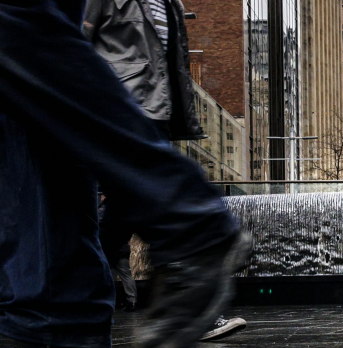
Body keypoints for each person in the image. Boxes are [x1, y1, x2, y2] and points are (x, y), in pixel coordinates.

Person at [0, 1, 250, 347]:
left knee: (14, 23)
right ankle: (59, 307)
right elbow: (74, 37)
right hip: (119, 112)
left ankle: (187, 220)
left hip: (131, 113)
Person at [83, 0, 248, 338]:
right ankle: (201, 247)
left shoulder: (171, 3)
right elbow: (75, 38)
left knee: (121, 214)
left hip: (156, 110)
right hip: (121, 108)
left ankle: (76, 297)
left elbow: (169, 63)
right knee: (146, 199)